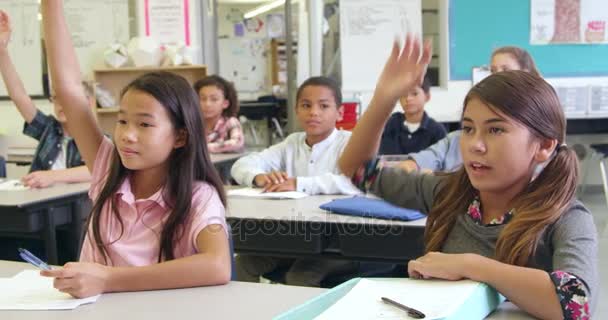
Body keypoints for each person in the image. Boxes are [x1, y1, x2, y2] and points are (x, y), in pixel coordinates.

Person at [339, 35, 598, 319]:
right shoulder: (450, 193)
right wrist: (384, 98)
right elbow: (358, 170)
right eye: (468, 128)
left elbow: (576, 304)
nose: (476, 144)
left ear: (544, 145)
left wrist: (470, 265)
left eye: (495, 130)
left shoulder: (566, 217)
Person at [38, 0, 231, 298]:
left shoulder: (197, 196)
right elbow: (69, 89)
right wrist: (51, 6)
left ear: (180, 137)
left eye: (144, 125)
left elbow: (217, 266)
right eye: (122, 121)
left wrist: (107, 279)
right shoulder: (107, 169)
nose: (127, 135)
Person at [233, 76, 359, 286]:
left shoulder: (350, 142)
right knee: (241, 263)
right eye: (306, 105)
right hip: (293, 239)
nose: (314, 112)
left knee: (299, 276)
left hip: (339, 243)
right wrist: (259, 177)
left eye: (324, 106)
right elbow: (242, 164)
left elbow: (354, 181)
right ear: (296, 110)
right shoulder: (292, 143)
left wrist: (299, 183)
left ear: (339, 112)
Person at [400, 46, 542, 173]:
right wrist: (414, 164)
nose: (497, 75)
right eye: (493, 70)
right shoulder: (457, 140)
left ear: (525, 73)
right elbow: (436, 154)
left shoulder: (537, 132)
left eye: (505, 69)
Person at [0, 10, 91, 188]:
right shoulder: (48, 129)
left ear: (86, 103)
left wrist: (52, 177)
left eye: (68, 98)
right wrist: (2, 51)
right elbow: (19, 96)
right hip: (37, 204)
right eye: (56, 98)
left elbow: (99, 169)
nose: (61, 104)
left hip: (69, 210)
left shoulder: (95, 138)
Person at [378, 75, 446, 155]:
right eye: (403, 94)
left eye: (414, 94)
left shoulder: (437, 131)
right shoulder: (389, 125)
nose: (408, 98)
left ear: (427, 97)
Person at [194, 75, 244, 153]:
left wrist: (204, 148)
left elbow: (237, 142)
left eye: (214, 99)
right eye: (202, 99)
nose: (207, 104)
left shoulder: (230, 121)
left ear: (225, 103)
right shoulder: (193, 123)